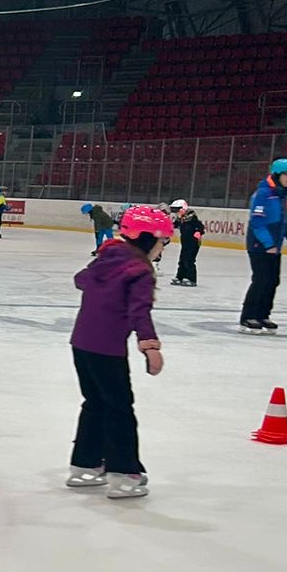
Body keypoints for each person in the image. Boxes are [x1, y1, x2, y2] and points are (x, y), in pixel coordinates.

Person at [65, 204, 172, 501]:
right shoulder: (139, 271)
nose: (164, 247)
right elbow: (140, 312)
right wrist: (150, 346)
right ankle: (124, 473)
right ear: (148, 238)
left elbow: (81, 279)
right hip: (107, 349)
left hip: (81, 344)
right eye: (163, 241)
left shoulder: (108, 257)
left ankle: (85, 464)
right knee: (119, 408)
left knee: (95, 403)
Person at [240, 157, 287, 332]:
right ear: (276, 174)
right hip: (259, 245)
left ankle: (263, 315)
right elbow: (257, 223)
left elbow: (286, 218)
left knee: (273, 280)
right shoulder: (263, 193)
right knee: (261, 279)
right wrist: (268, 244)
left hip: (275, 245)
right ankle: (248, 316)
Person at [169, 199, 206, 286]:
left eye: (177, 210)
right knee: (182, 259)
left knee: (189, 260)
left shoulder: (192, 217)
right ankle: (180, 277)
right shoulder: (181, 219)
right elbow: (174, 225)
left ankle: (191, 278)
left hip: (193, 242)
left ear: (183, 209)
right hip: (185, 242)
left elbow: (200, 226)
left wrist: (199, 232)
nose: (176, 212)